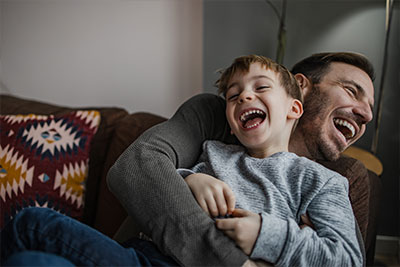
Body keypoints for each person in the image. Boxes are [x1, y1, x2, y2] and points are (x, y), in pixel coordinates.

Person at [107, 52, 375, 266]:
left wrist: (271, 237)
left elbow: (345, 258)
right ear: (301, 88)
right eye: (352, 91)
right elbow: (136, 166)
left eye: (371, 107)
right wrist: (189, 180)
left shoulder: (336, 179)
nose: (367, 114)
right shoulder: (216, 119)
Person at [177, 55, 362, 266]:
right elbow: (162, 191)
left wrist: (266, 236)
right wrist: (190, 180)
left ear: (294, 109)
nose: (244, 96)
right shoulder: (213, 152)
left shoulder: (321, 181)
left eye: (262, 87)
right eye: (233, 95)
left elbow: (347, 260)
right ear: (230, 124)